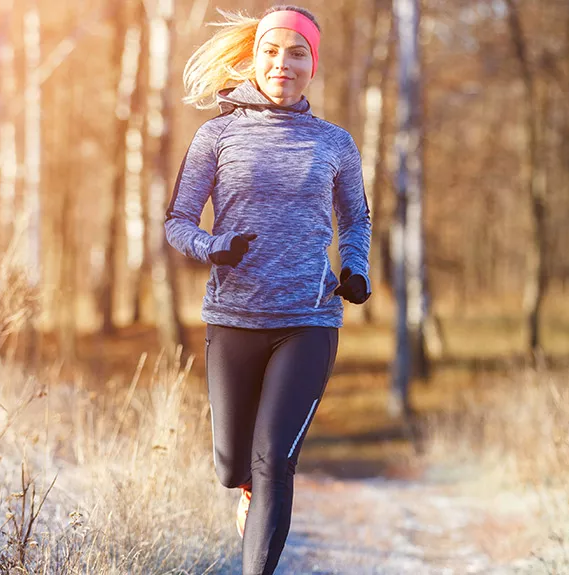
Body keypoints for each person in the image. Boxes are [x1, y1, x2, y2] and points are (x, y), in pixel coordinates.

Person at [164, 5, 371, 575]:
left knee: (274, 461)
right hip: (233, 318)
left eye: (298, 52)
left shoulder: (334, 143)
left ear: (313, 64)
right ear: (253, 60)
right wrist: (214, 247)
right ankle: (246, 490)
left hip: (309, 319)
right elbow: (177, 220)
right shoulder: (217, 136)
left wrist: (354, 270)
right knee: (234, 466)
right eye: (272, 51)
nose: (284, 62)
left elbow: (356, 219)